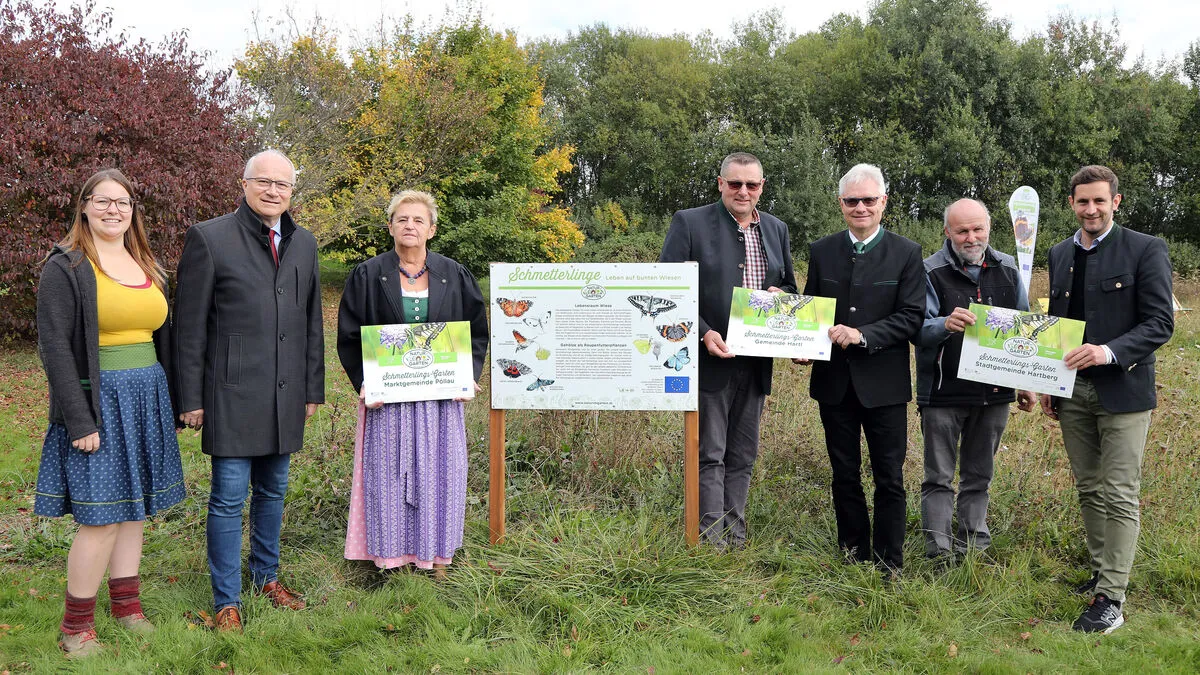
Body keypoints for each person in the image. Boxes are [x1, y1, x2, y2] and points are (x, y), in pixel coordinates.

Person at [34, 169, 185, 657]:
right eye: (104, 202)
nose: (114, 210)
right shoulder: (67, 266)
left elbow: (162, 335)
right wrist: (79, 420)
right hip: (100, 401)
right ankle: (76, 628)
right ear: (85, 206)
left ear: (132, 210)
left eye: (123, 203)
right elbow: (55, 346)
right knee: (101, 517)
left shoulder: (145, 262)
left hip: (146, 396)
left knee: (135, 511)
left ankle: (127, 608)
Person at [173, 150, 325, 632]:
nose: (274, 191)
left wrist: (312, 386)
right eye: (265, 182)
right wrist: (190, 398)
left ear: (292, 192)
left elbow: (311, 321)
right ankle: (226, 599)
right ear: (244, 183)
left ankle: (266, 577)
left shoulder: (304, 244)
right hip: (231, 392)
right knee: (227, 498)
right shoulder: (210, 238)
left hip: (285, 393)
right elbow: (189, 327)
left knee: (274, 492)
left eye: (283, 184)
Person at [1040, 165, 1173, 633]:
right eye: (1082, 201)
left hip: (1125, 391)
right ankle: (1102, 574)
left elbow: (1160, 324)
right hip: (1073, 392)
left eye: (1099, 201)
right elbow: (1059, 326)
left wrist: (1107, 352)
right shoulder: (1059, 253)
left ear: (1116, 201)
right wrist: (1051, 384)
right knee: (1088, 487)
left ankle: (1111, 598)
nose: (1090, 209)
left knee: (1119, 493)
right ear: (1071, 204)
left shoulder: (1146, 249)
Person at [336, 190, 488, 577]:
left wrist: (467, 376)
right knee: (388, 477)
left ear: (432, 229)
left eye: (418, 220)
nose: (410, 226)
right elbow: (350, 335)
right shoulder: (368, 275)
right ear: (390, 226)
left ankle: (436, 557)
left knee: (442, 476)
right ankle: (391, 558)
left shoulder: (454, 274)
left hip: (439, 397)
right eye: (402, 219)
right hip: (389, 399)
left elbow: (475, 333)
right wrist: (365, 382)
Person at [659, 152, 798, 548]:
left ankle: (735, 537)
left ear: (761, 187)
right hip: (708, 358)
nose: (743, 191)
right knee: (711, 453)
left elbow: (789, 285)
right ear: (720, 183)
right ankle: (709, 540)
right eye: (734, 183)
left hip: (756, 361)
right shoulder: (690, 222)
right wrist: (702, 333)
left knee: (742, 454)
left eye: (751, 185)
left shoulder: (776, 229)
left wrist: (781, 296)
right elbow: (667, 288)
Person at [802, 163, 923, 576]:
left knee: (889, 477)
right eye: (852, 201)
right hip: (834, 384)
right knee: (844, 473)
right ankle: (853, 551)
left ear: (883, 203)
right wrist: (804, 345)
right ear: (841, 204)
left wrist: (863, 335)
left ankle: (890, 561)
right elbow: (810, 313)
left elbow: (911, 317)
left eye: (868, 200)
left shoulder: (907, 253)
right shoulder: (821, 251)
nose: (860, 207)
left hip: (885, 386)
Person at [915, 198, 1035, 567]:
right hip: (943, 392)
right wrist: (943, 325)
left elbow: (1023, 326)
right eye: (962, 230)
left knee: (979, 476)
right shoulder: (928, 271)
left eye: (977, 229)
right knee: (939, 477)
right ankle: (939, 552)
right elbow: (916, 328)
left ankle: (974, 550)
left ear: (988, 228)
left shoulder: (1009, 268)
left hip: (995, 393)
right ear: (947, 232)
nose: (971, 237)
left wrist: (1026, 382)